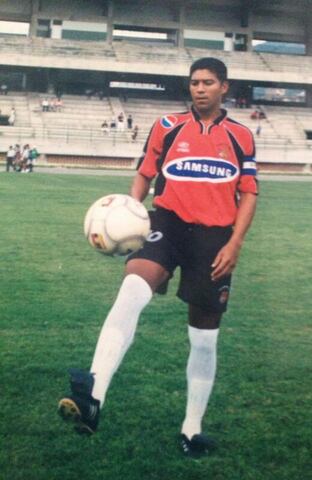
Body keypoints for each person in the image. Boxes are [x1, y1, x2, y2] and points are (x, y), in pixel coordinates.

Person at [58, 57, 258, 458]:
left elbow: (248, 193)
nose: (199, 89)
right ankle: (94, 395)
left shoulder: (240, 135)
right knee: (132, 289)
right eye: (194, 82)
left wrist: (234, 243)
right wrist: (130, 214)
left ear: (224, 87)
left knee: (203, 337)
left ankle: (191, 429)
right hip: (165, 222)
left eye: (207, 83)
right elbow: (146, 174)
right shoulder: (167, 126)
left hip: (214, 237)